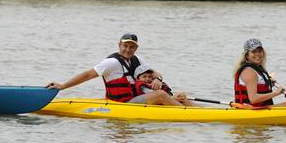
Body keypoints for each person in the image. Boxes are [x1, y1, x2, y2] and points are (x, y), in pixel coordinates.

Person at [47, 33, 184, 105]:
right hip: (122, 103)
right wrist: (63, 86)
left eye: (131, 47)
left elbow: (155, 73)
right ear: (119, 45)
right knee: (160, 94)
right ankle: (184, 112)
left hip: (136, 97)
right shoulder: (111, 62)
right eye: (125, 46)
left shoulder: (136, 59)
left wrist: (158, 79)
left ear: (136, 48)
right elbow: (88, 75)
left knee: (181, 96)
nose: (127, 49)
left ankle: (201, 112)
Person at [233, 38, 286, 107]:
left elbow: (258, 85)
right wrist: (276, 93)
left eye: (260, 51)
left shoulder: (258, 69)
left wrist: (269, 82)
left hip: (260, 109)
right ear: (247, 55)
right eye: (254, 51)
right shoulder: (249, 72)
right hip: (250, 110)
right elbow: (253, 99)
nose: (258, 54)